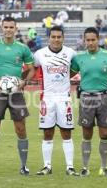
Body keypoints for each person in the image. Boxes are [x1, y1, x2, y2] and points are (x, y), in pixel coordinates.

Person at [0, 17, 35, 175]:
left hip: (16, 93)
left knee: (21, 128)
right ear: (2, 28)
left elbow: (31, 69)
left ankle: (24, 166)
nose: (8, 29)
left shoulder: (23, 48)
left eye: (11, 27)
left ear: (16, 28)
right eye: (6, 27)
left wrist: (24, 82)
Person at [71, 27, 107, 177]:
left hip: (104, 98)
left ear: (98, 39)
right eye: (87, 40)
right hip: (86, 98)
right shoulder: (79, 58)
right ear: (84, 40)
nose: (90, 43)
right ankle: (85, 167)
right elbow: (69, 74)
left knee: (104, 134)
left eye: (93, 40)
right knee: (87, 134)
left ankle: (104, 167)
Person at [33, 26, 79, 176]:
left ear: (63, 38)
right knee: (47, 132)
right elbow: (32, 68)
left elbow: (75, 69)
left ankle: (70, 167)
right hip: (47, 98)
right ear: (49, 38)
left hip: (64, 98)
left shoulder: (71, 53)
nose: (56, 39)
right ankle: (47, 166)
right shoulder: (40, 54)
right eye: (53, 37)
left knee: (66, 132)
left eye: (59, 37)